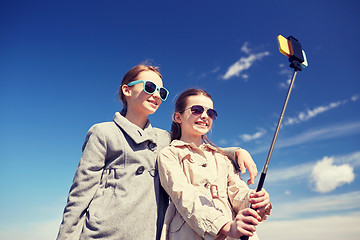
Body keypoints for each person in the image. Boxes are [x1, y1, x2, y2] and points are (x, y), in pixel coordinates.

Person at [57, 64, 258, 240]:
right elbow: (79, 196)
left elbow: (197, 147)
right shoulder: (103, 132)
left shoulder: (164, 139)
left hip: (150, 233)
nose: (156, 95)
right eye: (150, 87)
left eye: (162, 92)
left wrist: (236, 152)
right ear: (127, 90)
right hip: (104, 233)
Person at [158, 89, 272, 240]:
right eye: (196, 110)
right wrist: (226, 226)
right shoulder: (169, 154)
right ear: (178, 117)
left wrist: (255, 199)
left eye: (210, 113)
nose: (204, 116)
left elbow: (237, 192)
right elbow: (183, 196)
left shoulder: (222, 158)